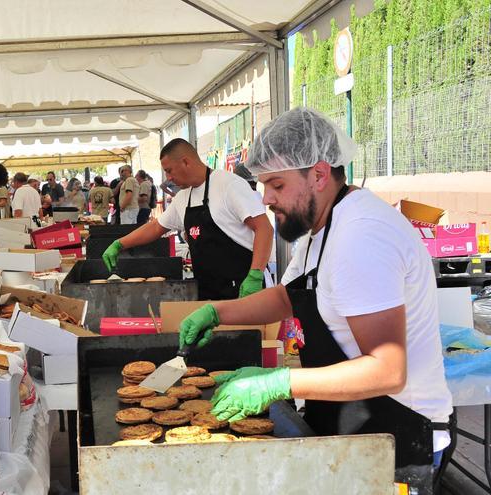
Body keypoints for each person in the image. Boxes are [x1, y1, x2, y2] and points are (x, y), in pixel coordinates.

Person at [178, 108, 452, 490]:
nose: (267, 199)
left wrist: (278, 382)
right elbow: (289, 298)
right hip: (356, 425)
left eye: (276, 185)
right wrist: (217, 312)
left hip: (397, 438)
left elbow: (388, 370)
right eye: (262, 186)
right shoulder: (322, 225)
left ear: (319, 174)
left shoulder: (361, 237)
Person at [103, 139, 273, 300]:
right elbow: (156, 227)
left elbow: (264, 228)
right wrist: (120, 244)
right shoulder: (183, 197)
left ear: (186, 162)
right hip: (208, 290)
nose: (168, 178)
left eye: (169, 170)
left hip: (245, 287)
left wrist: (255, 274)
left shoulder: (229, 185)